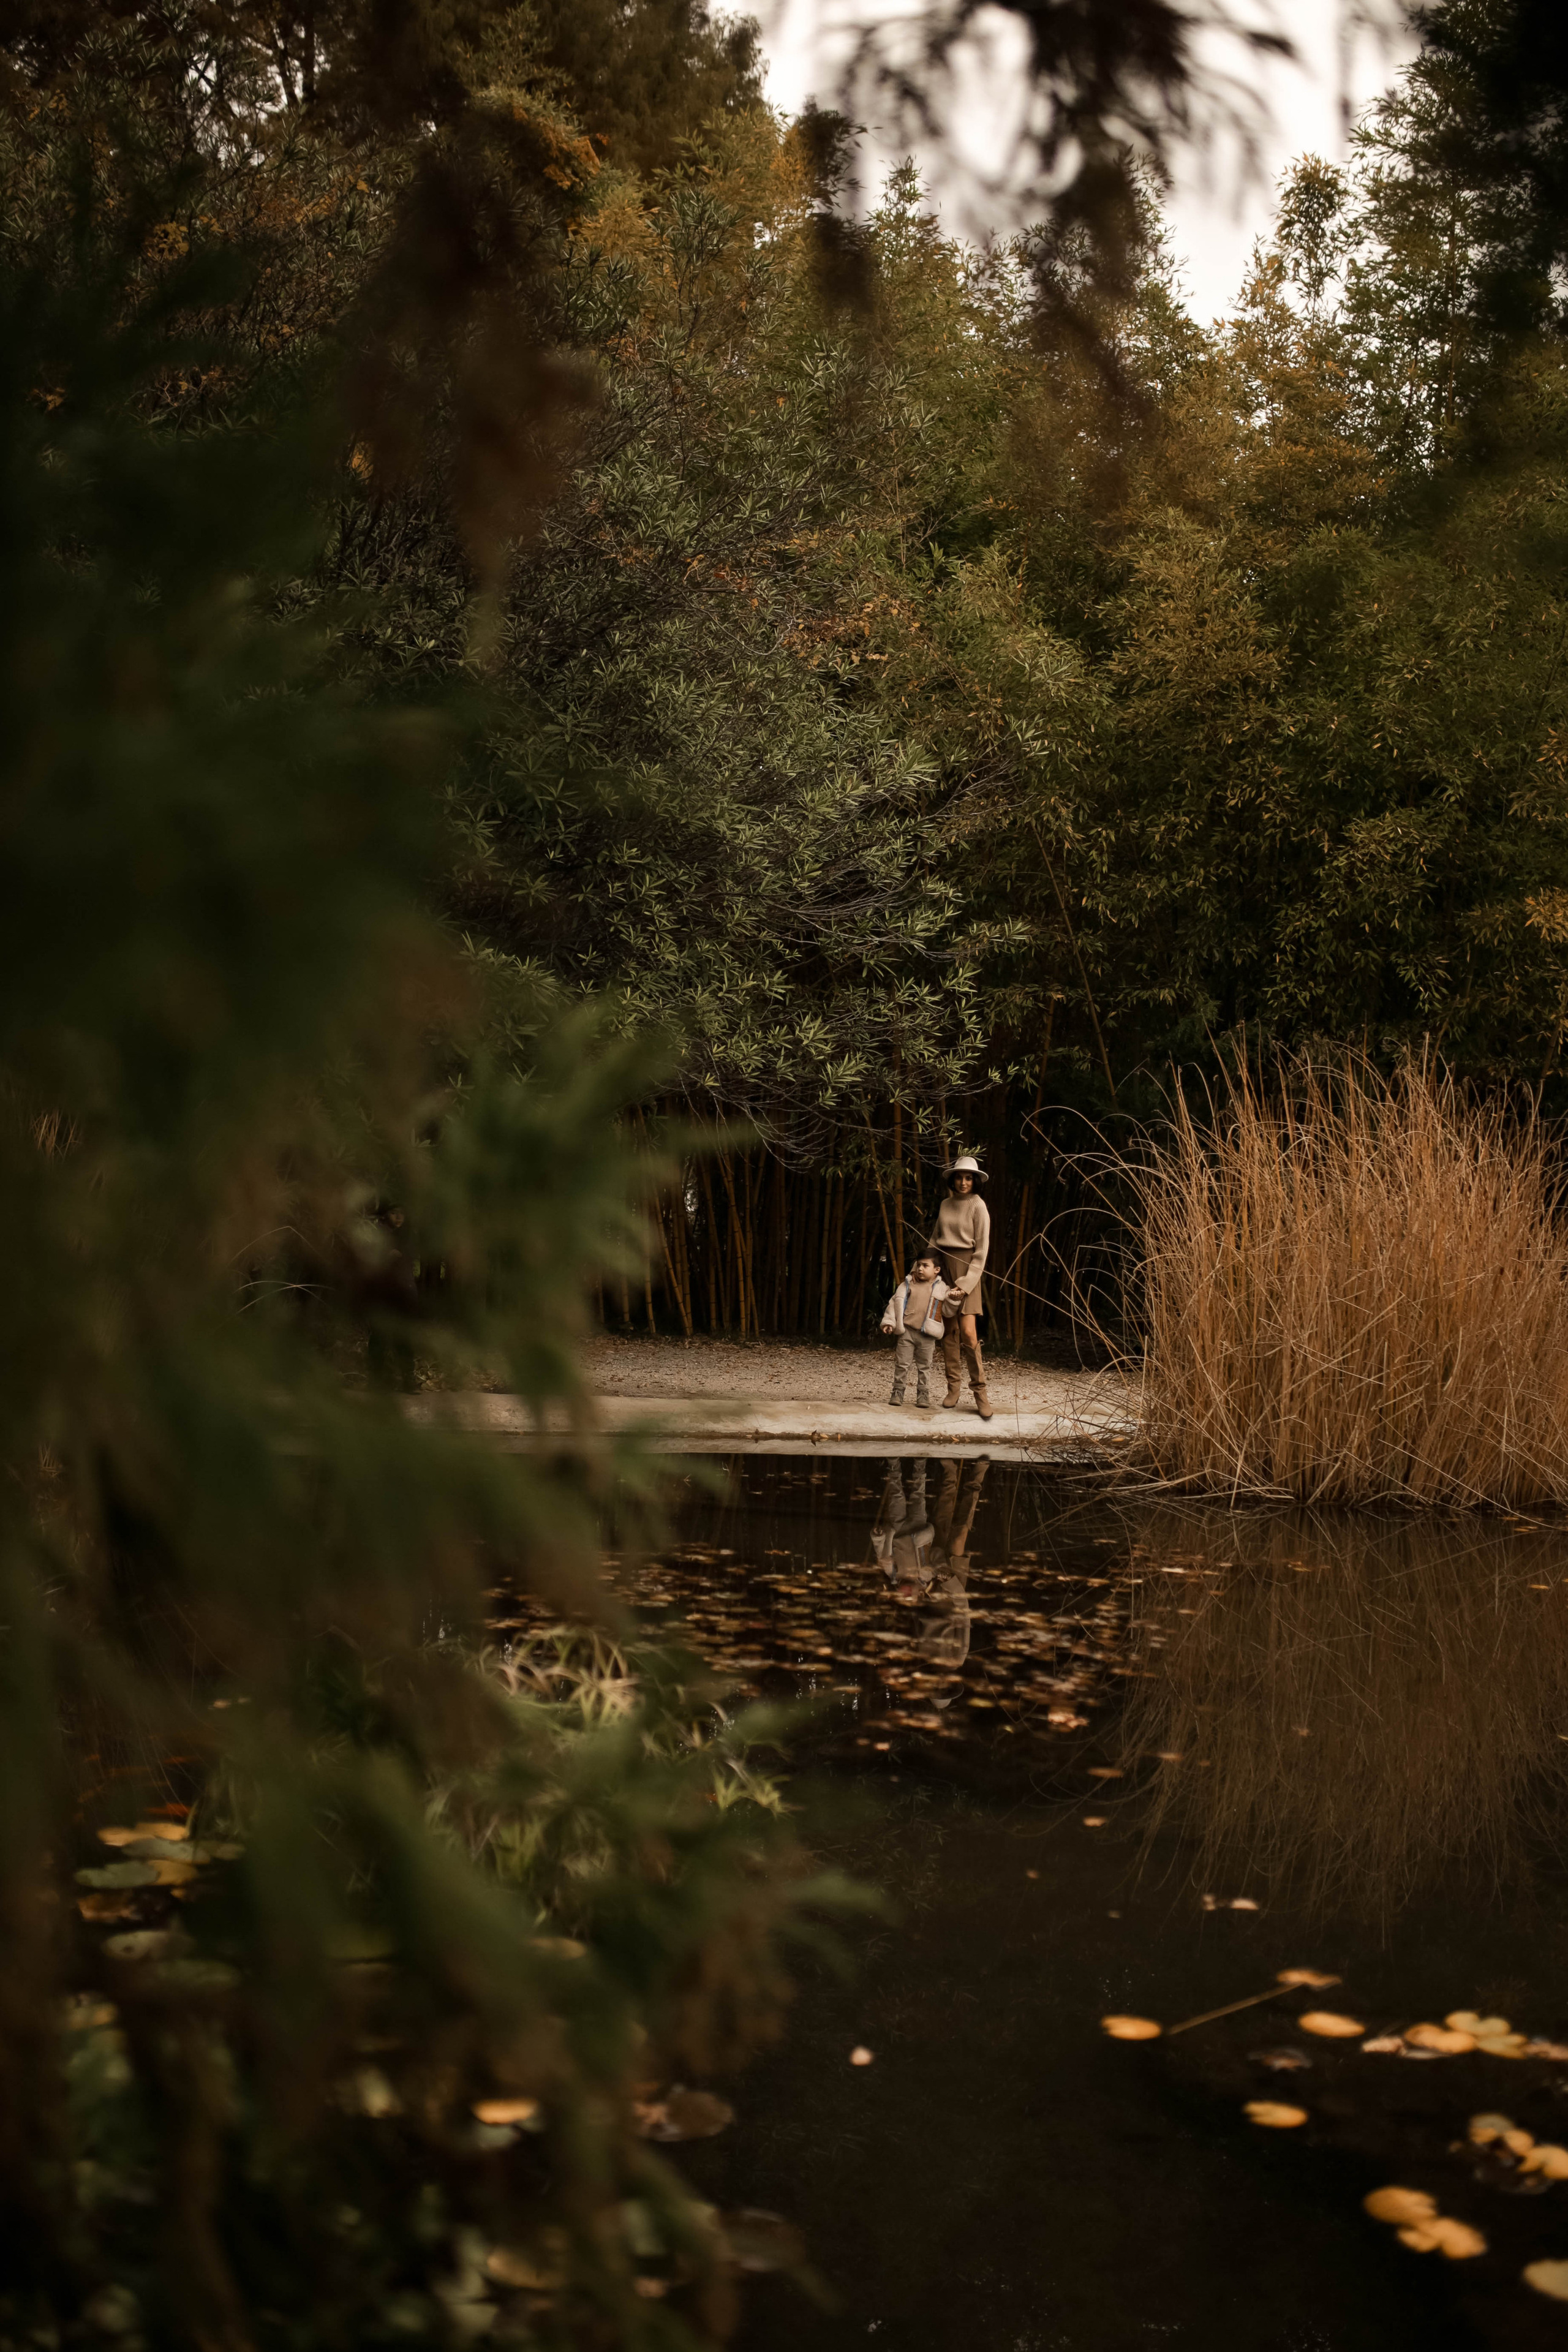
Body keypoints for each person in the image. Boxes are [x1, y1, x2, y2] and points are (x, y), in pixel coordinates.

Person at [927, 1153, 993, 1420]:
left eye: (969, 1178)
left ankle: (980, 1393)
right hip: (945, 1267)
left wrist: (965, 1285)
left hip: (969, 1271)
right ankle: (953, 1388)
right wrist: (923, 1271)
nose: (964, 1182)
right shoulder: (945, 1204)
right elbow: (934, 1239)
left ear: (975, 1181)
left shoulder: (979, 1206)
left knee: (968, 1333)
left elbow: (982, 1251)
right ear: (953, 1180)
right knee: (949, 1331)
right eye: (960, 1177)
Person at [879, 1253, 960, 1409]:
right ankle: (897, 1392)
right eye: (919, 1265)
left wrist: (954, 1299)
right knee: (902, 1364)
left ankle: (923, 1394)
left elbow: (948, 1312)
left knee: (925, 1366)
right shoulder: (908, 1284)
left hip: (927, 1335)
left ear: (937, 1270)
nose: (920, 1269)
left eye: (925, 1266)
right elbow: (894, 1303)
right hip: (907, 1331)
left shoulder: (942, 1288)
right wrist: (890, 1322)